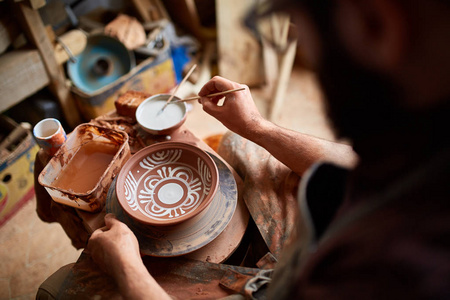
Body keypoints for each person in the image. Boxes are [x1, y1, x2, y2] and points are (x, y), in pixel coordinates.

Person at [45, 0, 450, 298]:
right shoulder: (425, 143)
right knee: (241, 141)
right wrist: (256, 127)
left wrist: (128, 267)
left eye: (299, 21)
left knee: (63, 290)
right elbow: (350, 165)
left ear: (377, 24)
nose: (306, 46)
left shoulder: (401, 273)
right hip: (316, 243)